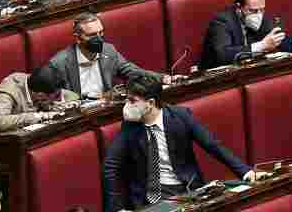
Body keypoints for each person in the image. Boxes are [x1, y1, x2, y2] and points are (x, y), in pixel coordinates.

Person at [103, 77, 257, 212]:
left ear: (150, 103)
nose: (127, 106)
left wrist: (245, 172)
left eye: (132, 101)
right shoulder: (131, 126)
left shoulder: (180, 116)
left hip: (185, 191)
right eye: (127, 99)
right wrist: (117, 208)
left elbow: (213, 146)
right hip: (149, 200)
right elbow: (110, 165)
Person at [0, 65, 72, 190]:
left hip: (18, 151)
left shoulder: (36, 84)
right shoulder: (8, 91)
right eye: (53, 97)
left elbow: (60, 98)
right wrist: (38, 115)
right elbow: (2, 122)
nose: (54, 99)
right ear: (39, 95)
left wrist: (54, 107)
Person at [46, 12, 166, 99]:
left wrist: (163, 78)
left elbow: (132, 71)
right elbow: (49, 96)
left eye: (101, 32)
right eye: (92, 35)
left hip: (106, 108)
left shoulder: (108, 50)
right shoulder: (60, 62)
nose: (98, 38)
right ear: (78, 38)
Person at [199, 0, 292, 69]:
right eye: (253, 11)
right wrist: (261, 46)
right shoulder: (222, 22)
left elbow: (276, 40)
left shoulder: (261, 17)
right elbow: (222, 55)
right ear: (239, 8)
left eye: (262, 10)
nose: (259, 15)